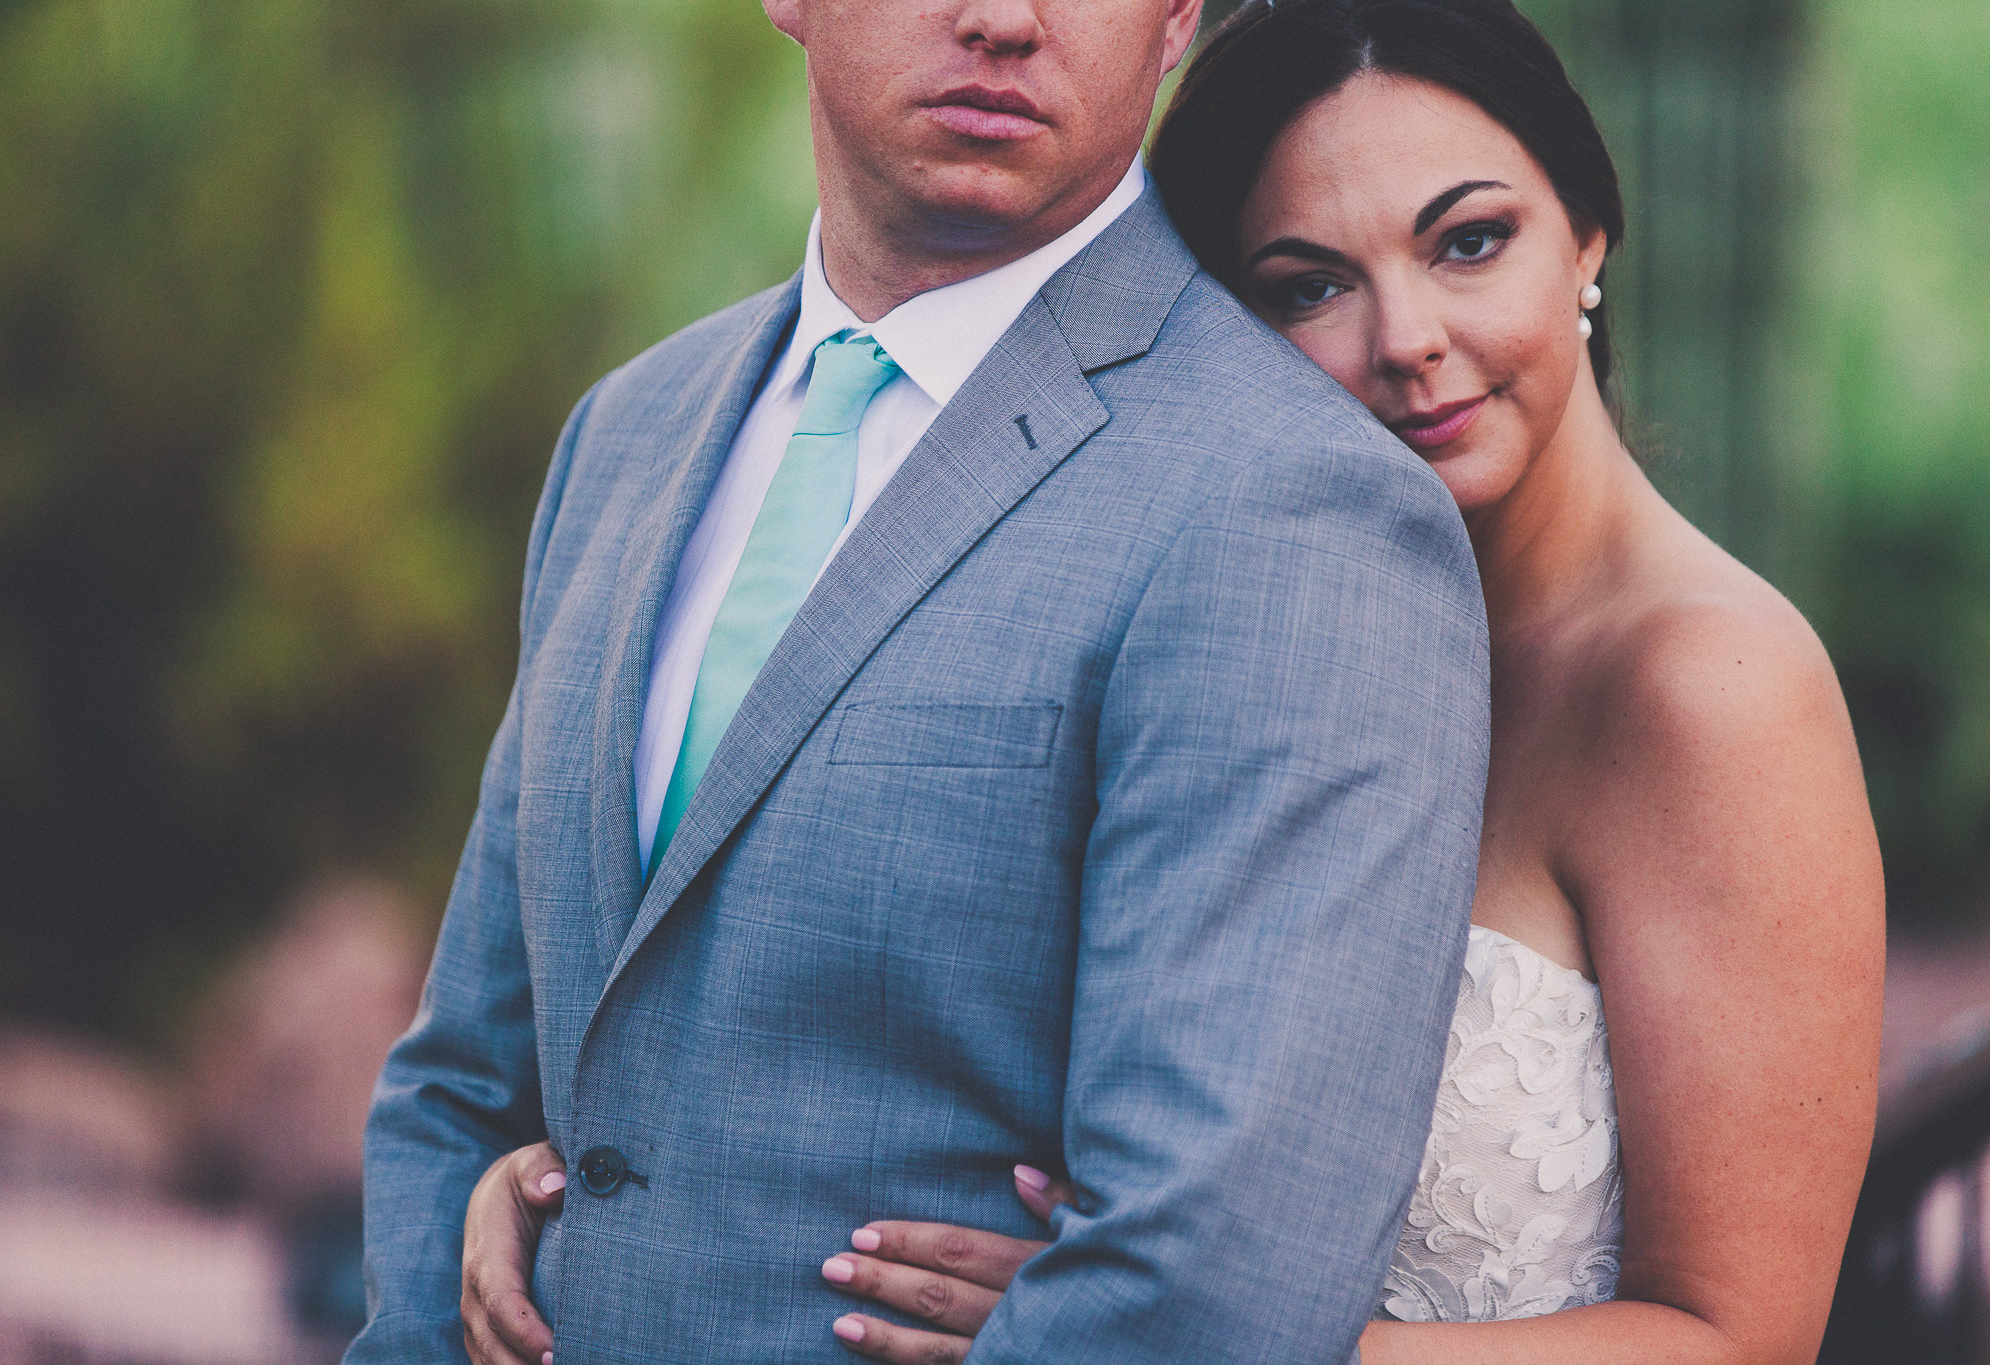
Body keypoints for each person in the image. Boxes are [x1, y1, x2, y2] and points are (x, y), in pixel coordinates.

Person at [461, 0, 1884, 1361]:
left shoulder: (1709, 688)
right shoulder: (1225, 594)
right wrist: (544, 1182)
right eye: (1308, 285)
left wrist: (1186, 1333)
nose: (1405, 339)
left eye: (1469, 242)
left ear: (1590, 233)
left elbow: (1744, 1333)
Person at [352, 0, 1494, 1361]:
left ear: (1180, 14)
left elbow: (1221, 1271)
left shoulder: (1297, 505)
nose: (1004, 19)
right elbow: (462, 1084)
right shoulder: (626, 434)